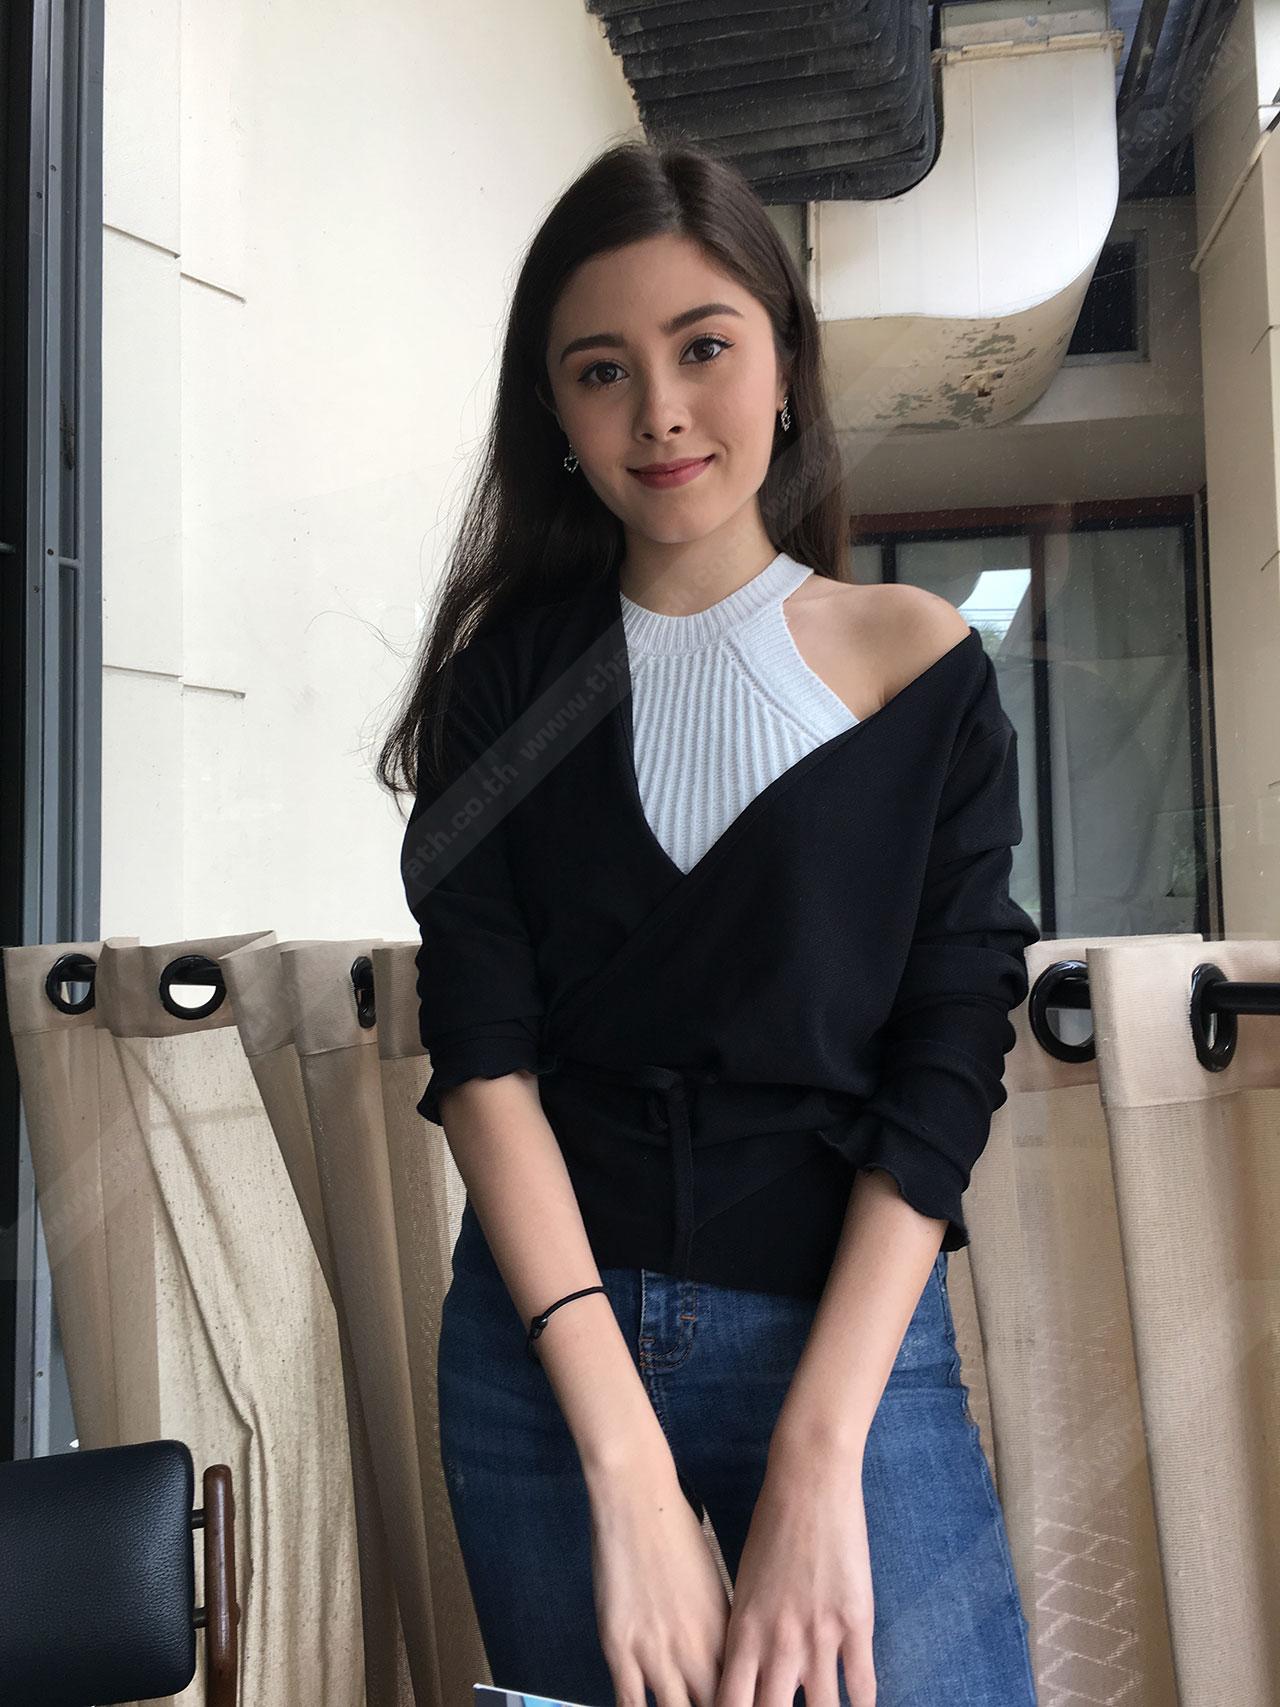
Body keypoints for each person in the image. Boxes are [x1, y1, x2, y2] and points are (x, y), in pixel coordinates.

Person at [382, 139, 1041, 1707]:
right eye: (601, 371)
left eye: (703, 349)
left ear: (787, 365)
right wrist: (621, 1466)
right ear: (554, 415)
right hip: (546, 1363)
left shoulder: (922, 669)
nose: (661, 412)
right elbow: (483, 1059)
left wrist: (821, 1456)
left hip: (846, 1349)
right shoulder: (503, 692)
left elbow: (949, 1057)